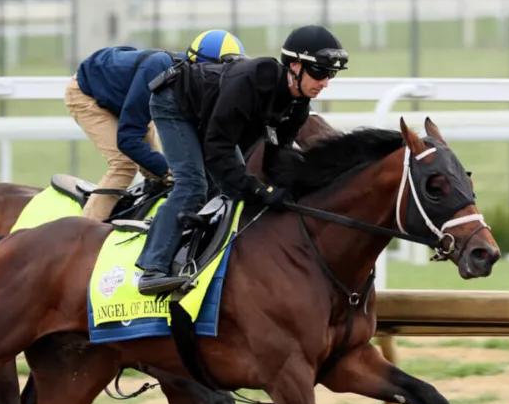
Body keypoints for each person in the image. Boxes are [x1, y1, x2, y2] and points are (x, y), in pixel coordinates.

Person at [135, 24, 349, 295]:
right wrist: (259, 189)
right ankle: (153, 268)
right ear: (294, 66)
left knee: (235, 187)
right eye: (319, 72)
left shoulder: (297, 106)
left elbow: (277, 156)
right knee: (193, 184)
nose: (325, 83)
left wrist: (293, 188)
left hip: (211, 116)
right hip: (174, 103)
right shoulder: (250, 81)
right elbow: (217, 149)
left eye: (330, 74)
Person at [64, 30, 246, 221]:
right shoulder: (159, 72)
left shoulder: (191, 76)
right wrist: (167, 168)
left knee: (158, 171)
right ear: (204, 67)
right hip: (87, 93)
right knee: (125, 165)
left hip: (125, 94)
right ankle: (83, 230)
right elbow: (127, 140)